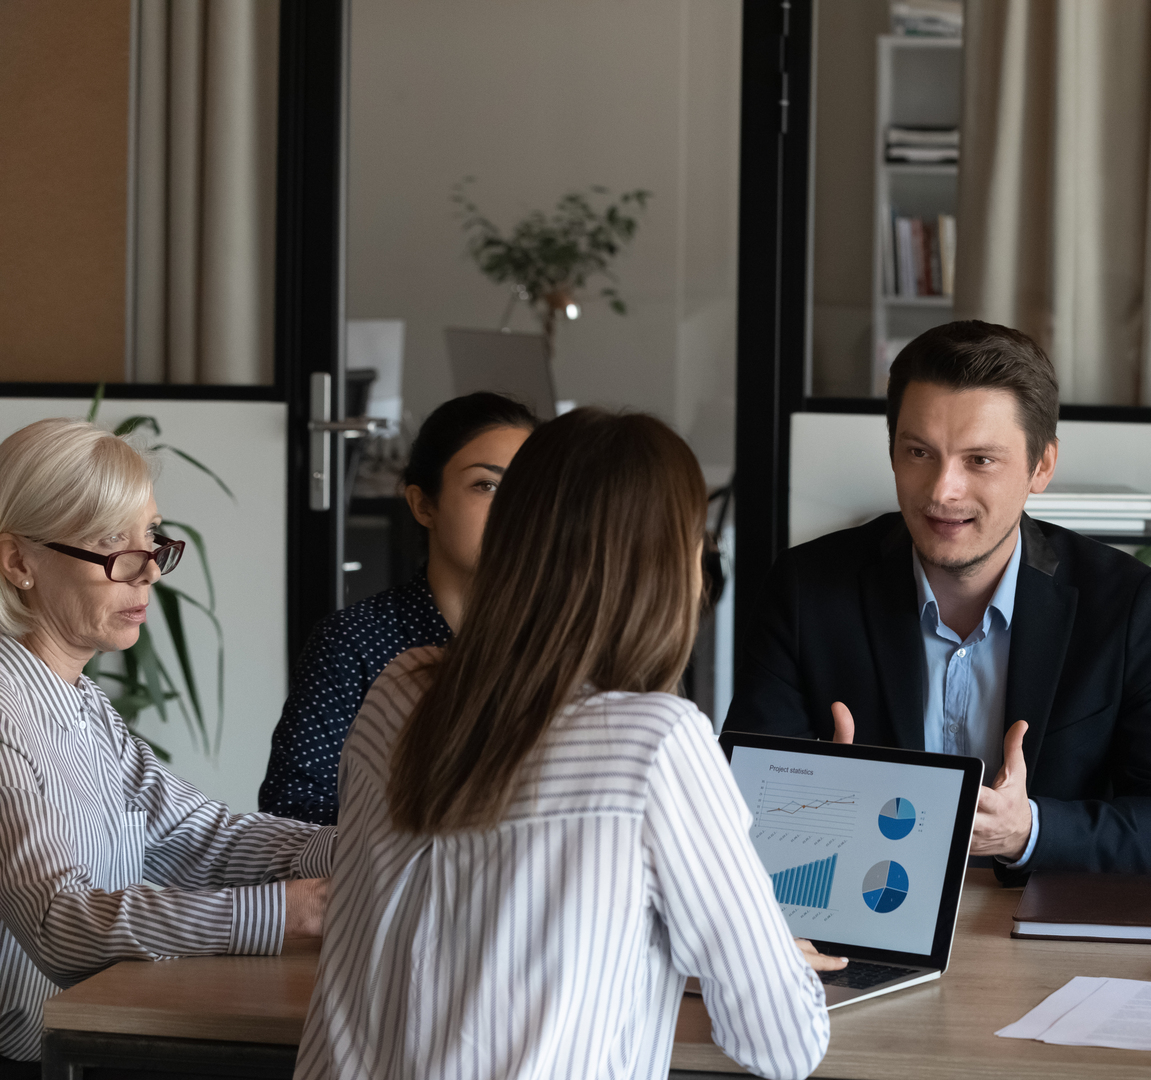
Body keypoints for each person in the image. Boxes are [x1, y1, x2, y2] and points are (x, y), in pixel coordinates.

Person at [297, 410, 831, 1080]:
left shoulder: (399, 690)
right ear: (667, 568)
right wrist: (760, 945)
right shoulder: (654, 743)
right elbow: (783, 1045)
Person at [726, 320, 1151, 880]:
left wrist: (1027, 830)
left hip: (1048, 935)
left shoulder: (1131, 606)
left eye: (979, 460)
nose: (941, 491)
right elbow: (739, 805)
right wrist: (827, 804)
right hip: (869, 918)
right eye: (918, 452)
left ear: (1042, 466)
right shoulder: (807, 588)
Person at [0, 419, 332, 1075]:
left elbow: (203, 834)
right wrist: (282, 914)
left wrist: (363, 850)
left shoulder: (84, 704)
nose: (147, 570)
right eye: (109, 542)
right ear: (17, 562)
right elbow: (60, 924)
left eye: (150, 538)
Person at [258, 392, 536, 823]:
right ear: (424, 505)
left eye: (528, 489)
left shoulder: (557, 639)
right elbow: (292, 808)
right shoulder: (355, 643)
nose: (513, 509)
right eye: (487, 485)